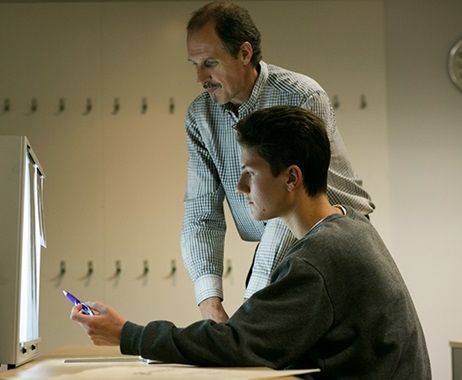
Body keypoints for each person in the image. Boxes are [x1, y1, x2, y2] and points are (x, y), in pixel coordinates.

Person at [70, 106, 431, 379]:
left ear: (292, 178)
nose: (240, 188)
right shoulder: (348, 227)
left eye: (251, 173)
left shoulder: (319, 257)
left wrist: (128, 334)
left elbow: (238, 345)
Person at [182, 1, 375, 322]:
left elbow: (289, 204)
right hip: (281, 245)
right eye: (194, 64)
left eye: (210, 63)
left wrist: (251, 305)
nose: (200, 77)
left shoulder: (301, 96)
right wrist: (209, 304)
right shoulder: (200, 115)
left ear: (244, 53)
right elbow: (200, 214)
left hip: (335, 241)